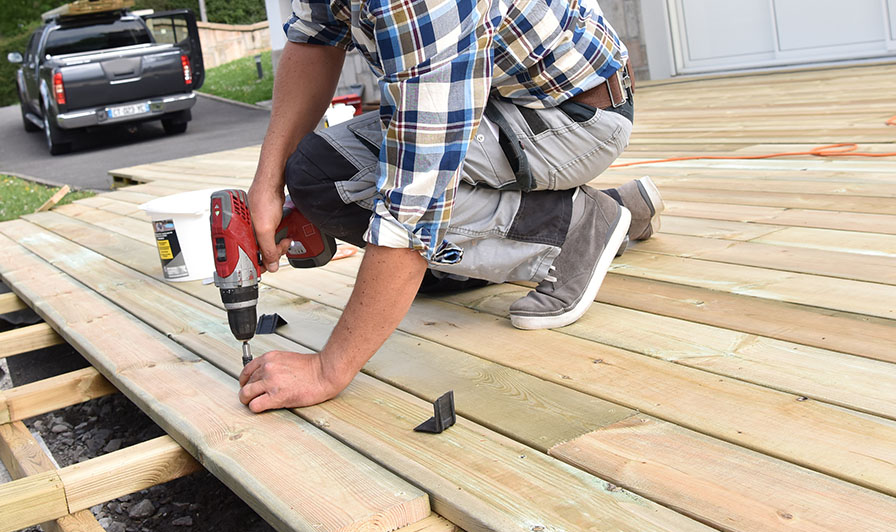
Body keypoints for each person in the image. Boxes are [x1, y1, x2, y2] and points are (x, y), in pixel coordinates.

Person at [238, 0, 664, 412]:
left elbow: (415, 197)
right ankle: (611, 210)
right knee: (319, 173)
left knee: (344, 183)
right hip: (503, 95)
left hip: (573, 117)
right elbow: (316, 39)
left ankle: (571, 228)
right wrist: (268, 181)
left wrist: (326, 370)